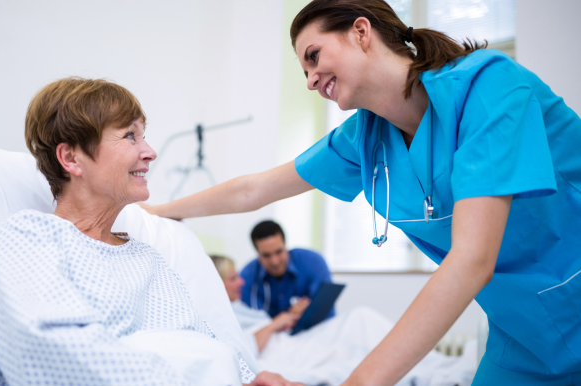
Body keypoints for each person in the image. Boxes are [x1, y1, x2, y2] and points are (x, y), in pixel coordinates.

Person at [142, 0, 581, 385]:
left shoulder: (488, 86)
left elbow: (472, 259)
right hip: (522, 338)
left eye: (314, 57)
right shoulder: (365, 139)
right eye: (305, 71)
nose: (311, 80)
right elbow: (254, 190)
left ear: (360, 31)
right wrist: (157, 214)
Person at [0, 77, 300, 386]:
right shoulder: (27, 241)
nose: (149, 153)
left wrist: (248, 380)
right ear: (71, 159)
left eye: (144, 135)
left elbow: (203, 341)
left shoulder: (146, 256)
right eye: (129, 136)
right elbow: (57, 363)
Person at [211, 255, 477, 386]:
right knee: (350, 343)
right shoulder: (218, 315)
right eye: (232, 278)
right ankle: (437, 369)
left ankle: (437, 363)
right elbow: (243, 348)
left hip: (292, 337)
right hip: (284, 351)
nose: (241, 281)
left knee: (362, 318)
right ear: (216, 282)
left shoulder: (239, 306)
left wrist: (289, 318)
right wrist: (274, 324)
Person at [241, 220, 335, 320]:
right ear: (257, 253)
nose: (275, 261)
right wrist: (289, 317)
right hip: (273, 336)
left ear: (285, 245)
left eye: (279, 252)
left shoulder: (314, 262)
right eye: (266, 255)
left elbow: (325, 313)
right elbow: (254, 326)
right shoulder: (246, 278)